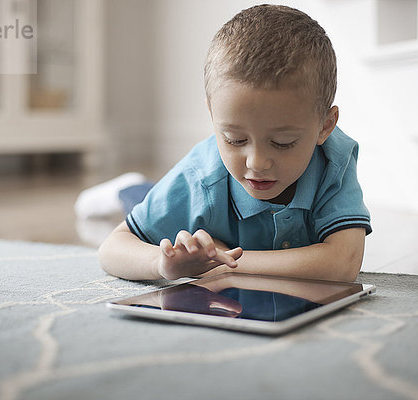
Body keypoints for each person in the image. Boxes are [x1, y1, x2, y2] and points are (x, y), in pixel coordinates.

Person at [98, 4, 372, 282]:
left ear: (325, 126)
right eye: (235, 139)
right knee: (139, 197)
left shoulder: (334, 159)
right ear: (212, 114)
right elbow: (112, 249)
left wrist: (222, 262)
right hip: (176, 196)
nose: (257, 162)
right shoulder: (199, 177)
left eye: (283, 142)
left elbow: (342, 264)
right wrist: (162, 263)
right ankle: (127, 187)